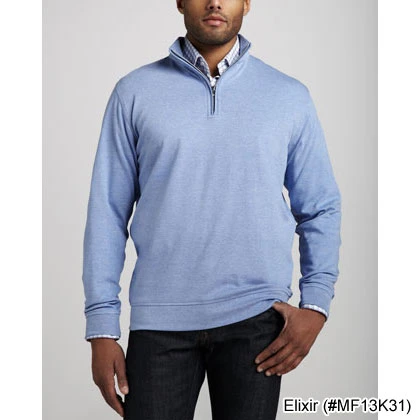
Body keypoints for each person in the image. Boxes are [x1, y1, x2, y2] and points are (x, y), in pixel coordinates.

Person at [82, 0, 342, 419]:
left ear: (247, 3)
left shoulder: (288, 96)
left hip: (256, 319)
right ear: (180, 1)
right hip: (159, 323)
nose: (215, 2)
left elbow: (320, 207)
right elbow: (107, 214)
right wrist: (101, 328)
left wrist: (316, 305)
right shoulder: (134, 92)